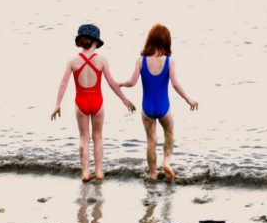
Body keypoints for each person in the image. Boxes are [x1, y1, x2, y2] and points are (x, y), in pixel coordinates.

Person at [51, 24, 136, 182]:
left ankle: (85, 172)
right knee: (98, 137)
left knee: (84, 137)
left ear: (81, 42)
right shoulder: (102, 61)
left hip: (81, 101)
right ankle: (98, 171)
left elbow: (63, 84)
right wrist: (124, 99)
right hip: (97, 101)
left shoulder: (72, 62)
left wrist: (57, 104)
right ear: (96, 42)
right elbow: (111, 83)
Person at [119, 24, 198, 181]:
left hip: (147, 108)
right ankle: (167, 162)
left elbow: (132, 82)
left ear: (150, 40)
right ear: (167, 42)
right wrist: (188, 99)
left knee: (151, 142)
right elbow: (175, 84)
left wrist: (120, 84)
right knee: (169, 133)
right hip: (163, 108)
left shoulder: (141, 61)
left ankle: (153, 175)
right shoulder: (169, 62)